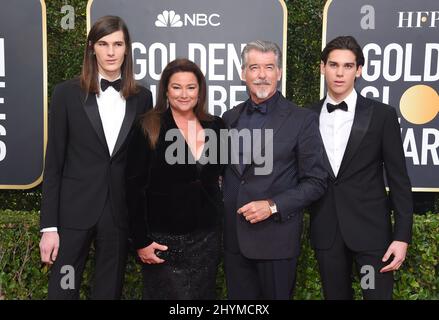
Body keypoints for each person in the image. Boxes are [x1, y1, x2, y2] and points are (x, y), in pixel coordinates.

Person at [39, 15, 153, 299]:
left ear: (127, 48)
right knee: (64, 289)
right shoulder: (66, 94)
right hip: (74, 212)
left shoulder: (143, 98)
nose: (111, 52)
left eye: (117, 44)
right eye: (104, 44)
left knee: (108, 291)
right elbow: (54, 164)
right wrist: (49, 227)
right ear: (92, 48)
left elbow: (143, 167)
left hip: (117, 212)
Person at [309, 35, 413, 300]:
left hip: (371, 234)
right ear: (323, 68)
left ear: (359, 70)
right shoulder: (306, 116)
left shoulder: (382, 115)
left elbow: (399, 180)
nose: (340, 73)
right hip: (327, 232)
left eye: (347, 66)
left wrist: (402, 237)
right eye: (333, 65)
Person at [221, 40, 327, 299]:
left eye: (269, 67)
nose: (262, 75)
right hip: (234, 242)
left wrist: (272, 205)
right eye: (254, 67)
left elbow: (316, 181)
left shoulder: (302, 119)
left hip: (276, 242)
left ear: (279, 72)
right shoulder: (228, 118)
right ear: (243, 73)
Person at [125, 58, 224, 300]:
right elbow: (132, 188)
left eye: (191, 87)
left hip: (206, 240)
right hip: (163, 242)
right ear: (166, 91)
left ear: (200, 91)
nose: (184, 94)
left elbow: (221, 178)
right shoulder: (148, 125)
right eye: (176, 87)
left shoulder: (217, 126)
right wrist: (141, 241)